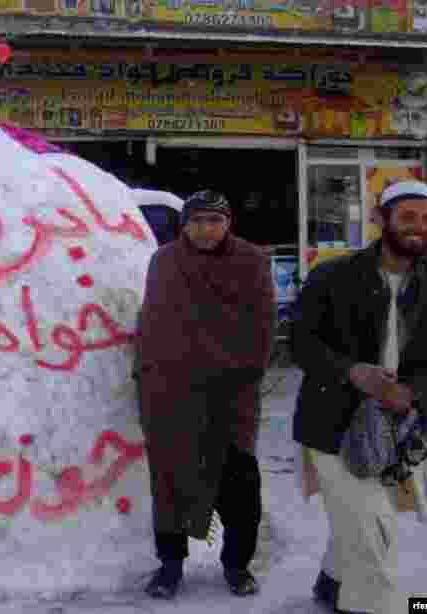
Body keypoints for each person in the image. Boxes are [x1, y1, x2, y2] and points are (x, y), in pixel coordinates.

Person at [292, 180, 427, 614]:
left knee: (364, 518)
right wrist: (352, 372)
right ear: (380, 219)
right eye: (407, 216)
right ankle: (373, 604)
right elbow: (301, 342)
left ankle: (332, 582)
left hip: (403, 426)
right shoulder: (332, 275)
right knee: (375, 530)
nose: (420, 227)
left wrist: (416, 390)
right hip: (333, 422)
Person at [135, 190, 276, 600]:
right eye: (197, 220)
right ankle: (170, 566)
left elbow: (263, 325)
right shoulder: (164, 261)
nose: (206, 229)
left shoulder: (250, 261)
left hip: (231, 394)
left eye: (214, 220)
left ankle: (236, 565)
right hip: (171, 392)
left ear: (228, 222)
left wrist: (243, 375)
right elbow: (153, 319)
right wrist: (149, 375)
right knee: (170, 483)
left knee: (240, 487)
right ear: (185, 224)